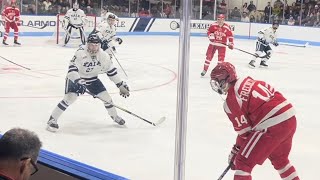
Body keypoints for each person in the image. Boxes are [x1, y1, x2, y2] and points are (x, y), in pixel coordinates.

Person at [210, 62, 299, 180]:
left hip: (272, 124)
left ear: (228, 78)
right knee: (281, 161)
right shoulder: (249, 81)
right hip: (290, 118)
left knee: (242, 164)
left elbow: (245, 134)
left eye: (218, 81)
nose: (217, 86)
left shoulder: (232, 100)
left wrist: (235, 152)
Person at [47, 32, 130, 132]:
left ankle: (114, 116)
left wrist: (120, 84)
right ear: (87, 44)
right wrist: (78, 81)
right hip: (77, 78)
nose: (94, 48)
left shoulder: (103, 55)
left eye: (96, 45)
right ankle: (52, 119)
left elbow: (111, 71)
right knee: (70, 98)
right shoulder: (80, 53)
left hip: (93, 79)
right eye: (91, 45)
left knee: (107, 98)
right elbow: (72, 70)